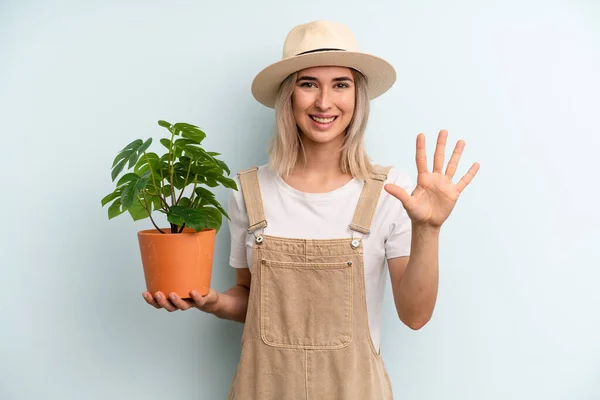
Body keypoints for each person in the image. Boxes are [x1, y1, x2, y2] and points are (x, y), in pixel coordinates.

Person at [142, 20, 479, 399]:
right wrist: (215, 302)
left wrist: (428, 229)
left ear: (358, 96)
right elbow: (253, 300)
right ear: (289, 96)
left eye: (340, 84)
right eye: (308, 84)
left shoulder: (390, 192)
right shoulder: (249, 192)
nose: (324, 102)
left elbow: (415, 316)